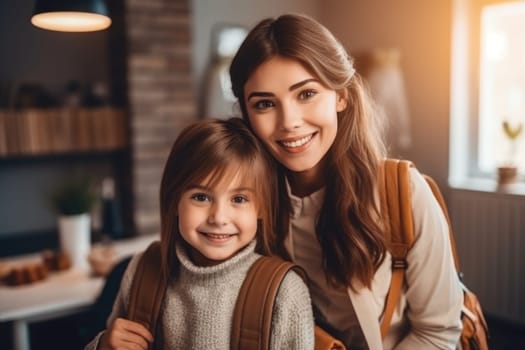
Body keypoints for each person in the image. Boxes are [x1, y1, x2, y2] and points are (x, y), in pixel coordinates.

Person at [229, 13, 463, 350]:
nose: (289, 122)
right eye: (265, 104)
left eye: (306, 94)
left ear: (341, 96)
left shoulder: (403, 192)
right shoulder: (243, 200)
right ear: (247, 115)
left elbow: (437, 332)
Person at [84, 118, 315, 350]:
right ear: (174, 201)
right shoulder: (141, 272)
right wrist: (103, 345)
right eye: (201, 197)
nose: (219, 217)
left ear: (262, 208)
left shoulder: (285, 294)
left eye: (239, 199)